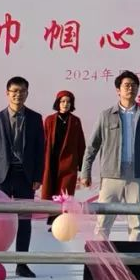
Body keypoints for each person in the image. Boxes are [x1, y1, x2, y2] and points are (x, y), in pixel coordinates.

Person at [81, 71, 140, 242]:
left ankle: (136, 258)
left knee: (137, 223)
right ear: (118, 90)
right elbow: (92, 146)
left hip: (137, 176)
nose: (130, 88)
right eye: (126, 85)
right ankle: (99, 258)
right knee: (103, 222)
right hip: (111, 176)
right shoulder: (106, 115)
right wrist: (85, 172)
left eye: (134, 85)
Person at [0, 76, 45, 278]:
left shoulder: (35, 118)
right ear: (7, 93)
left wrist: (38, 176)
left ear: (27, 93)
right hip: (1, 178)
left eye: (22, 91)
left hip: (25, 177)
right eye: (14, 91)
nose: (18, 95)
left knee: (24, 221)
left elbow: (39, 150)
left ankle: (22, 263)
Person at [41, 91, 86, 226]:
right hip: (51, 161)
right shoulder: (49, 120)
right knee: (50, 191)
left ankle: (61, 223)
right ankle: (51, 219)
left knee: (65, 195)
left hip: (68, 164)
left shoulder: (75, 121)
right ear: (58, 103)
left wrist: (82, 166)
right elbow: (43, 142)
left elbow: (81, 144)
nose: (65, 104)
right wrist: (41, 163)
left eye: (68, 102)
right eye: (62, 101)